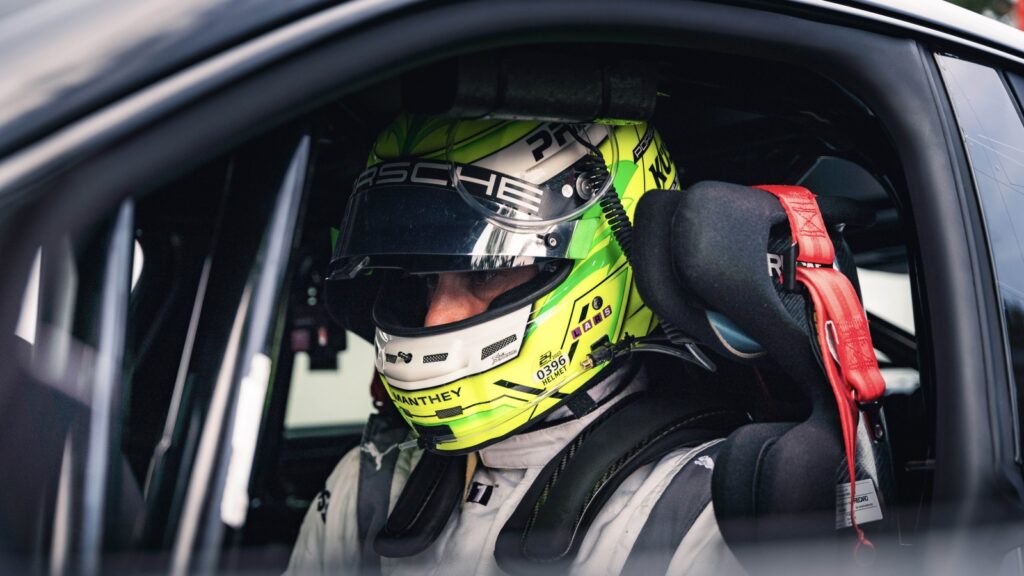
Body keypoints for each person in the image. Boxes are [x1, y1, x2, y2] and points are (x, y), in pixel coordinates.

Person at [286, 114, 744, 575]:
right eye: (423, 279)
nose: (435, 317)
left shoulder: (703, 515)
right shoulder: (367, 486)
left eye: (487, 272)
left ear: (613, 255)